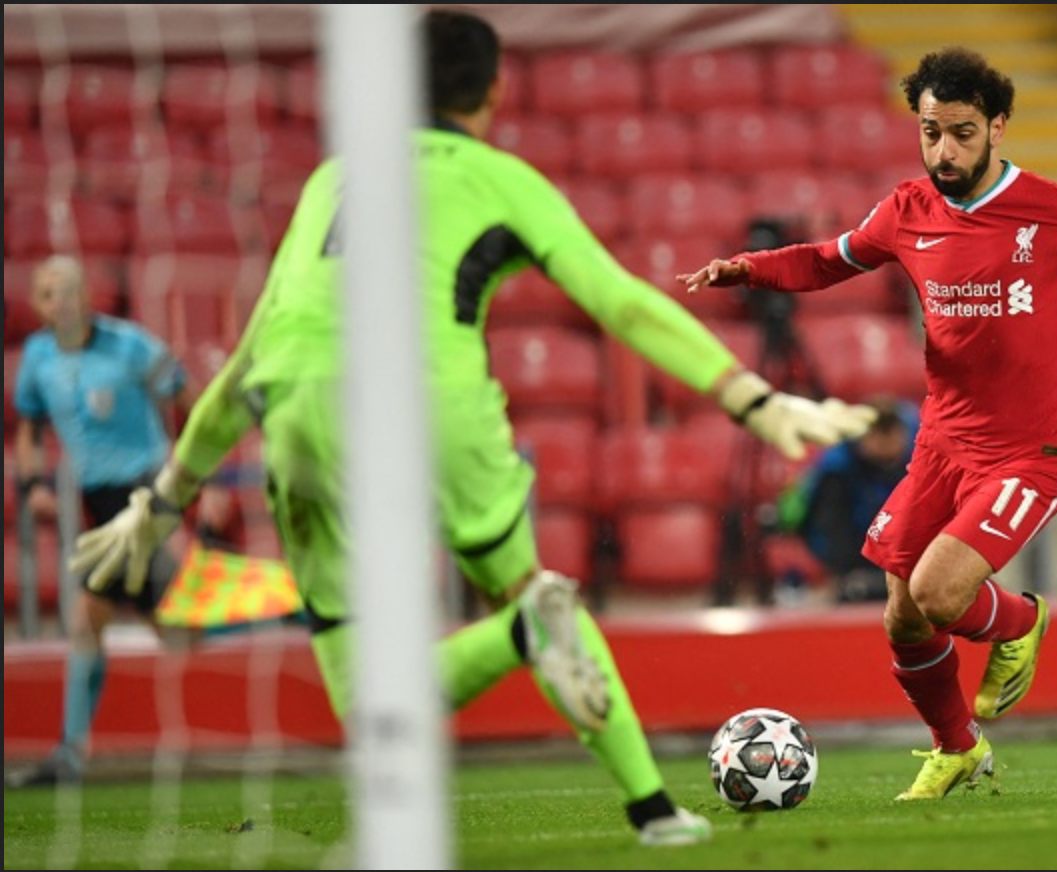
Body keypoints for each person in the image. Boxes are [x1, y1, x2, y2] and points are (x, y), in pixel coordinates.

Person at [65, 9, 875, 846]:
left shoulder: (331, 181)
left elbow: (241, 366)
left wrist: (161, 504)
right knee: (523, 591)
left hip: (297, 404)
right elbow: (617, 299)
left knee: (366, 695)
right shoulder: (502, 178)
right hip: (436, 395)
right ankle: (641, 792)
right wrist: (753, 398)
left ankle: (595, 727)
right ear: (494, 90)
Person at [678, 45, 1057, 801]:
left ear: (998, 127)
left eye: (962, 133)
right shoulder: (907, 210)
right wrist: (750, 267)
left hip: (1036, 447)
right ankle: (958, 748)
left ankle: (1020, 622)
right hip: (944, 443)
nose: (944, 151)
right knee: (903, 615)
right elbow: (827, 261)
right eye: (931, 132)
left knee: (940, 592)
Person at [8, 254, 234, 787]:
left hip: (147, 497)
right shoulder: (38, 358)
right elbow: (29, 427)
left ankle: (70, 755)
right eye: (49, 293)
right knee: (171, 631)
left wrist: (208, 477)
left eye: (69, 290)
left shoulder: (132, 346)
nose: (61, 301)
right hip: (98, 505)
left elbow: (191, 399)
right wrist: (33, 484)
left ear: (88, 295)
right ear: (37, 304)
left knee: (93, 622)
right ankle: (277, 608)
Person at [777, 395, 918, 603]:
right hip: (850, 567)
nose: (888, 448)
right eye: (879, 439)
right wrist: (851, 572)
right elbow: (832, 530)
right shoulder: (836, 471)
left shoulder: (919, 462)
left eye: (893, 438)